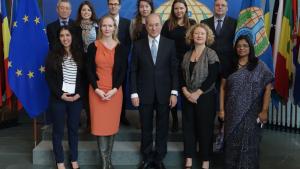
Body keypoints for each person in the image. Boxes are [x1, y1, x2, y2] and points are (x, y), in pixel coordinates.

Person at [130, 13, 178, 169]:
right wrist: (134, 92)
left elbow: (174, 70)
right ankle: (147, 157)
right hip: (144, 93)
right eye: (150, 25)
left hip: (165, 93)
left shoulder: (170, 44)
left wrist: (174, 92)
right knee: (146, 127)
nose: (153, 27)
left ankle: (159, 157)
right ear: (146, 26)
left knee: (163, 127)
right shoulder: (137, 45)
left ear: (161, 25)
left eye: (156, 24)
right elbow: (133, 71)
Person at [219, 35, 273, 169]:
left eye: (245, 45)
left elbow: (268, 88)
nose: (241, 48)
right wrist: (221, 110)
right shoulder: (230, 65)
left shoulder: (259, 66)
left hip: (252, 114)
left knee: (251, 145)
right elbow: (222, 88)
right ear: (235, 48)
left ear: (250, 48)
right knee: (231, 145)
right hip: (232, 114)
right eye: (238, 46)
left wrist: (264, 110)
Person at [86, 15, 127, 169]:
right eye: (104, 26)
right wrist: (96, 89)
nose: (107, 29)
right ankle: (104, 164)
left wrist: (114, 90)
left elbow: (123, 71)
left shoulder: (121, 47)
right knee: (100, 127)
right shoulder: (93, 46)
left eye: (110, 26)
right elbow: (89, 70)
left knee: (111, 126)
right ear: (100, 27)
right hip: (96, 91)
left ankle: (108, 161)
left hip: (114, 92)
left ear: (114, 28)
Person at [181, 23, 219, 169]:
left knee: (204, 129)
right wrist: (185, 91)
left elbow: (212, 76)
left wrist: (197, 93)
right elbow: (181, 75)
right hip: (187, 97)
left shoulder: (211, 54)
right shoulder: (187, 54)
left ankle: (205, 160)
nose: (199, 36)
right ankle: (188, 158)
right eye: (196, 33)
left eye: (202, 34)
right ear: (191, 36)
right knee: (188, 129)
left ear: (207, 36)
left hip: (205, 97)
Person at [45, 26, 84, 169]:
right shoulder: (52, 54)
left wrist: (79, 94)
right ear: (58, 38)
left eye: (67, 35)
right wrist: (61, 95)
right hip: (58, 99)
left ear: (72, 36)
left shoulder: (80, 54)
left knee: (73, 129)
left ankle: (74, 160)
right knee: (58, 130)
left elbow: (84, 78)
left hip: (76, 99)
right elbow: (49, 78)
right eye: (62, 35)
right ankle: (60, 161)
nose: (65, 38)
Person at [201, 0, 237, 152]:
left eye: (223, 5)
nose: (220, 7)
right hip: (209, 66)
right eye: (217, 5)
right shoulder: (205, 22)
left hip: (228, 67)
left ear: (227, 8)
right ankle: (206, 127)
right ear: (213, 7)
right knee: (208, 96)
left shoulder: (235, 23)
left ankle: (223, 129)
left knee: (226, 98)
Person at [161, 0, 196, 133]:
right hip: (172, 63)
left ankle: (187, 121)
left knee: (187, 92)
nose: (179, 11)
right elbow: (163, 44)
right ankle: (174, 119)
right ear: (173, 10)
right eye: (176, 8)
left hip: (188, 63)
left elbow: (196, 43)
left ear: (186, 9)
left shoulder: (192, 23)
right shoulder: (168, 24)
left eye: (181, 8)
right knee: (173, 92)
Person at [107, 0, 132, 126]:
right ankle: (108, 115)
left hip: (121, 63)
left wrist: (120, 58)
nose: (113, 6)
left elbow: (128, 43)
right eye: (111, 4)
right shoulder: (103, 21)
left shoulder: (127, 23)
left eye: (115, 4)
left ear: (120, 6)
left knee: (120, 89)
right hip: (105, 63)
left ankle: (121, 116)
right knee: (106, 88)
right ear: (108, 6)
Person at [74, 0, 98, 129]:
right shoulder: (74, 26)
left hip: (93, 64)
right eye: (83, 10)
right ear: (80, 12)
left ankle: (91, 121)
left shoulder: (97, 25)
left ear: (92, 12)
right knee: (78, 92)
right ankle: (76, 120)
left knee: (91, 93)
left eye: (88, 10)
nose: (86, 12)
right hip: (78, 64)